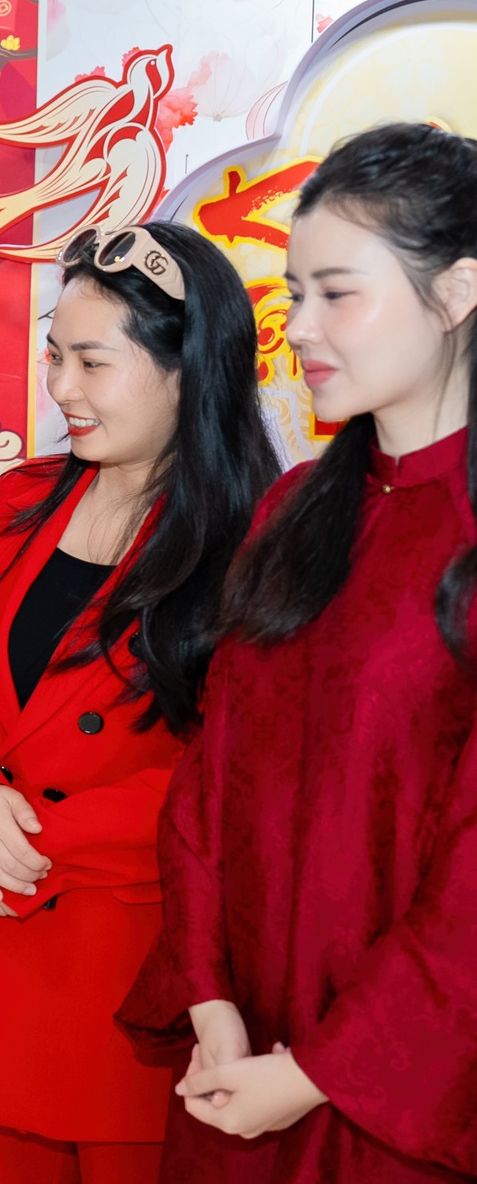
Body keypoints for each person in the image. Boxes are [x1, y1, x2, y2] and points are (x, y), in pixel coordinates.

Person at [119, 122, 477, 1179]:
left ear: (456, 293)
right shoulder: (290, 510)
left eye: (337, 293)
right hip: (240, 1064)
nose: (300, 327)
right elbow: (209, 780)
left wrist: (322, 1070)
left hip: (398, 1093)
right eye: (293, 292)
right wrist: (209, 998)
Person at [0, 221, 278, 1182]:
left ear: (187, 371)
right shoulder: (13, 503)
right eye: (54, 356)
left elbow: (235, 776)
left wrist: (26, 839)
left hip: (131, 978)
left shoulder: (255, 541)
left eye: (92, 362)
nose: (62, 388)